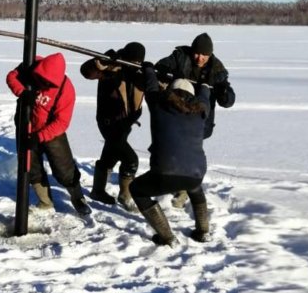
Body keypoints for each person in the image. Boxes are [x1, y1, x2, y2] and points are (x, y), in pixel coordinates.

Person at [129, 63, 212, 246]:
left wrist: (149, 69)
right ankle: (203, 231)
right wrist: (204, 84)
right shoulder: (202, 111)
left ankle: (167, 237)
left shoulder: (160, 105)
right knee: (195, 188)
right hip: (196, 172)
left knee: (137, 190)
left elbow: (150, 87)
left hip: (165, 171)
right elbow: (205, 96)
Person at [155, 32, 236, 208]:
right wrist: (170, 72)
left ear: (210, 54)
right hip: (176, 114)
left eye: (204, 55)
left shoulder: (217, 69)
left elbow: (228, 101)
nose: (200, 58)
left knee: (190, 156)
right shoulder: (180, 57)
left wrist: (224, 93)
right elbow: (159, 67)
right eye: (197, 53)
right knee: (171, 151)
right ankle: (167, 182)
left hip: (199, 121)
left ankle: (184, 190)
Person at [6, 52, 91, 216]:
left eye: (47, 83)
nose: (43, 84)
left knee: (64, 169)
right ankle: (45, 201)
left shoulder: (66, 90)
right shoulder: (31, 65)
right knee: (32, 167)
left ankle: (78, 198)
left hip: (51, 132)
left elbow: (62, 122)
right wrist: (22, 92)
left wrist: (39, 136)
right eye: (41, 80)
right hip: (25, 126)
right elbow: (11, 77)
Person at [80, 41, 146, 210]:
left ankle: (97, 191)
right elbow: (86, 72)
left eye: (139, 62)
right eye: (134, 61)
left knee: (110, 155)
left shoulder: (139, 72)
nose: (136, 64)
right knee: (131, 160)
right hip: (110, 123)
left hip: (125, 124)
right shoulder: (111, 68)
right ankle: (125, 196)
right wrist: (102, 61)